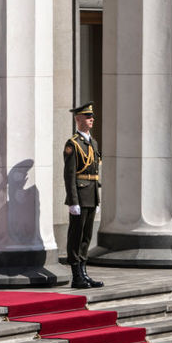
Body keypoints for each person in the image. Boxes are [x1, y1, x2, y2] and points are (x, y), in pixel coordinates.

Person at [63, 101, 104, 289]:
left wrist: (97, 195)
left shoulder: (92, 142)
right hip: (79, 194)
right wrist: (73, 201)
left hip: (91, 194)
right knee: (76, 235)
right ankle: (76, 275)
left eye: (92, 117)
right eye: (88, 117)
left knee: (87, 236)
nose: (91, 119)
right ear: (78, 120)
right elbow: (69, 174)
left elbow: (95, 171)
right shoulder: (73, 144)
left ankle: (84, 273)